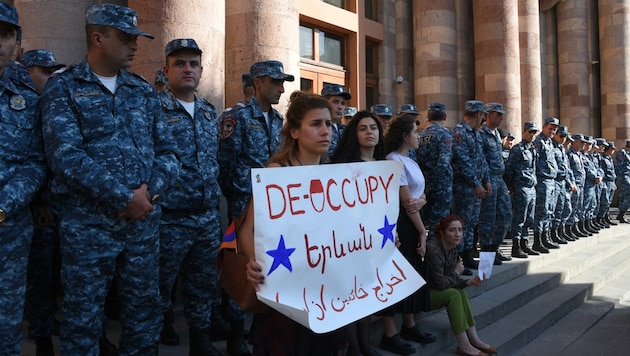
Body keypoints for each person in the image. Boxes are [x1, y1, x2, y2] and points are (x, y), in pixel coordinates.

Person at [40, 4, 181, 354]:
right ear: (98, 37)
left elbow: (169, 153)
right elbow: (65, 157)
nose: (134, 45)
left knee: (144, 315)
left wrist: (149, 193)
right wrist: (124, 198)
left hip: (143, 227)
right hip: (88, 228)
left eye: (136, 38)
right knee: (83, 319)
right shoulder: (64, 86)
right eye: (125, 37)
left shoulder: (143, 91)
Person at [158, 38, 240, 355]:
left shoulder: (208, 113)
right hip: (169, 218)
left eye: (193, 64)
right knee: (158, 288)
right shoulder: (154, 110)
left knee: (203, 285)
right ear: (166, 71)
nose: (187, 69)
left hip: (206, 217)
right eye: (179, 63)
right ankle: (155, 335)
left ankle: (200, 343)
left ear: (202, 70)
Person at [243, 91, 334, 355]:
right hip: (286, 294)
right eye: (315, 124)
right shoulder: (276, 173)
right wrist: (252, 261)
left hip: (327, 292)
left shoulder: (335, 178)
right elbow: (248, 229)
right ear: (294, 132)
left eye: (328, 124)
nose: (325, 130)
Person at [0, 3, 48, 354]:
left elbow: (36, 161)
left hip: (9, 228)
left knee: (6, 321)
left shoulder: (27, 99)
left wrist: (3, 206)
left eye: (4, 35)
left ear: (18, 45)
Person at [378, 114, 436, 355]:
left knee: (411, 274)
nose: (418, 136)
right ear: (404, 135)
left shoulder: (408, 159)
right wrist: (422, 231)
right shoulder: (393, 160)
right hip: (401, 223)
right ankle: (389, 333)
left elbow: (419, 197)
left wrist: (422, 202)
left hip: (413, 220)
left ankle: (410, 324)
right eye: (415, 132)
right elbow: (405, 201)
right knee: (396, 275)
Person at [331, 110, 385, 356]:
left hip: (376, 242)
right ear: (354, 133)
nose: (369, 132)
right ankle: (354, 349)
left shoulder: (384, 166)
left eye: (373, 127)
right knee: (352, 299)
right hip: (350, 242)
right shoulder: (345, 166)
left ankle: (365, 345)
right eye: (363, 128)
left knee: (367, 297)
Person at [218, 60, 294, 221]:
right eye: (275, 82)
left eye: (282, 83)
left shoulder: (277, 119)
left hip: (273, 197)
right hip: (244, 200)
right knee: (244, 245)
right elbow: (225, 162)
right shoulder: (238, 115)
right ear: (257, 83)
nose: (281, 89)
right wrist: (237, 192)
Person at [426, 215, 498, 356]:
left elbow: (448, 281)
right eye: (452, 230)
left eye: (460, 230)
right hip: (423, 295)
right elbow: (441, 284)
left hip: (437, 290)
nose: (458, 234)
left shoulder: (452, 250)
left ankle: (475, 340)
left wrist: (468, 282)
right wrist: (456, 272)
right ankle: (464, 345)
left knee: (461, 293)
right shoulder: (433, 249)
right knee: (454, 294)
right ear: (442, 233)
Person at [451, 100, 490, 271]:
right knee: (462, 223)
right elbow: (462, 161)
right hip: (465, 188)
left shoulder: (476, 133)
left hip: (476, 188)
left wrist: (486, 180)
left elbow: (482, 159)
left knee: (472, 222)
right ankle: (458, 259)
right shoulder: (460, 133)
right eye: (482, 114)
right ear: (478, 114)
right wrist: (476, 184)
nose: (483, 117)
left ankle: (467, 256)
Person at [477, 103, 512, 265]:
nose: (501, 118)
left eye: (501, 114)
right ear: (488, 114)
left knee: (505, 215)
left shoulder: (497, 134)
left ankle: (494, 247)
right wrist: (485, 180)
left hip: (500, 179)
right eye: (498, 114)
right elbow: (481, 160)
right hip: (489, 180)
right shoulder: (481, 133)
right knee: (488, 218)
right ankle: (486, 252)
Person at [416, 102, 453, 241]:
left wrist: (427, 186)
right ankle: (434, 258)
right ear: (445, 116)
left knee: (427, 223)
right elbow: (444, 162)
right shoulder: (445, 134)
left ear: (428, 116)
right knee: (439, 224)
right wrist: (433, 184)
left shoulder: (420, 135)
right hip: (440, 186)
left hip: (423, 185)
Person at [504, 122, 540, 258]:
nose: (532, 135)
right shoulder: (517, 149)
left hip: (531, 188)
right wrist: (509, 186)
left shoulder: (532, 149)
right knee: (519, 218)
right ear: (524, 132)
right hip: (521, 187)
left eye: (534, 133)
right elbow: (509, 169)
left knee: (529, 218)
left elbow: (534, 168)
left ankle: (525, 244)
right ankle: (516, 246)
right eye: (530, 132)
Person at [532, 118, 560, 253]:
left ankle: (546, 237)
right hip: (542, 180)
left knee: (549, 210)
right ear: (544, 127)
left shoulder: (550, 143)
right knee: (541, 211)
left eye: (555, 129)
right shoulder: (539, 142)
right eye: (550, 128)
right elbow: (534, 162)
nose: (553, 131)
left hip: (551, 181)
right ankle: (538, 241)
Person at [321, 83, 351, 155]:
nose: (340, 107)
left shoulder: (346, 130)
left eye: (343, 103)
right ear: (324, 103)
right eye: (335, 102)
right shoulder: (318, 128)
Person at [597, 141, 617, 227]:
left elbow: (612, 171)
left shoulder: (609, 158)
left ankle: (606, 217)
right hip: (605, 182)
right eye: (612, 149)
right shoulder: (601, 158)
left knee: (609, 202)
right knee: (604, 201)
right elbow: (602, 171)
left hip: (611, 181)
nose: (613, 151)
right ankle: (600, 218)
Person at [614, 140, 630, 223]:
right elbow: (618, 166)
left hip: (627, 175)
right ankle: (621, 213)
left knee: (624, 194)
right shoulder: (622, 153)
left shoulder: (627, 153)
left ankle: (621, 214)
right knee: (628, 192)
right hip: (624, 176)